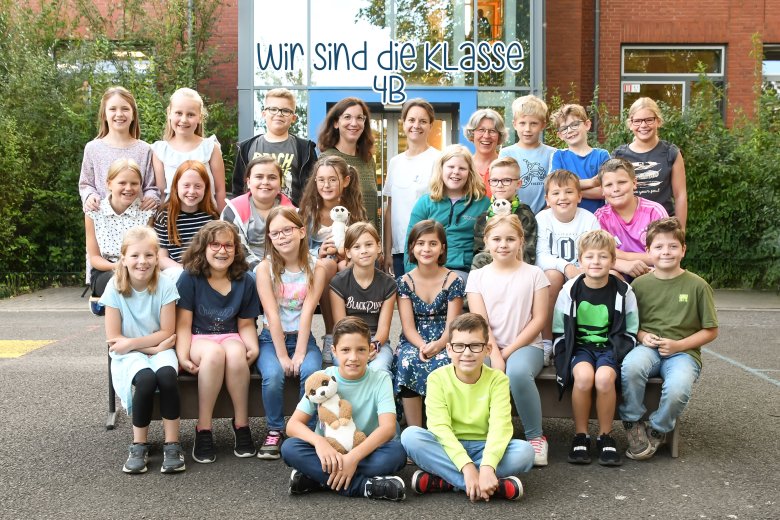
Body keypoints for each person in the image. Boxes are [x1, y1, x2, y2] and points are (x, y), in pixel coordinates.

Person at [402, 313, 533, 502]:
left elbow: (500, 426)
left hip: (484, 446)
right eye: (459, 346)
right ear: (448, 349)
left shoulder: (498, 380)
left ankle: (447, 481)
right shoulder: (437, 379)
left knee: (526, 452)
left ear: (487, 349)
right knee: (410, 436)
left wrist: (488, 465)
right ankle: (483, 485)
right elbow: (440, 429)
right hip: (448, 446)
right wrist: (467, 467)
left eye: (475, 345)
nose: (467, 353)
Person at [619, 217, 718, 460]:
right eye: (659, 247)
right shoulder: (639, 286)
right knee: (630, 368)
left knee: (677, 388)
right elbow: (631, 325)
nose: (666, 252)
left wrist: (679, 345)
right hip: (649, 348)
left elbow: (711, 330)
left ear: (683, 250)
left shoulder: (698, 286)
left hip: (683, 352)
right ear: (648, 251)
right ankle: (632, 422)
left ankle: (658, 428)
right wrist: (643, 335)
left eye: (673, 246)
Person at [281, 316, 407, 501]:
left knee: (397, 454)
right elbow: (293, 426)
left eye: (361, 350)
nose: (353, 357)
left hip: (364, 452)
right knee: (290, 448)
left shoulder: (381, 379)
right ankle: (364, 486)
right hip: (329, 453)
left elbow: (387, 429)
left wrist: (353, 458)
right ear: (334, 351)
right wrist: (320, 443)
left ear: (371, 350)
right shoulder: (322, 377)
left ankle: (318, 479)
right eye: (346, 350)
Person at [465, 215, 550, 466]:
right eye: (497, 239)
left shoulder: (535, 274)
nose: (504, 244)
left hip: (526, 345)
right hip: (487, 344)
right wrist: (495, 353)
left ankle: (536, 437)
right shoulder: (477, 277)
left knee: (518, 373)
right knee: (479, 370)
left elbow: (539, 319)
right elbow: (480, 321)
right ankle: (483, 437)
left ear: (521, 241)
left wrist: (508, 352)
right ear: (487, 242)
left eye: (510, 239)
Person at [175, 221, 261, 463]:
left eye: (228, 245)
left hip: (231, 335)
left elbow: (245, 323)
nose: (222, 251)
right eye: (215, 245)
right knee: (214, 353)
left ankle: (242, 424)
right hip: (198, 338)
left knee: (235, 354)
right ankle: (204, 428)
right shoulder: (190, 278)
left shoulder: (245, 280)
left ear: (236, 249)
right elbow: (182, 324)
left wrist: (252, 346)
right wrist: (182, 356)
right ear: (203, 248)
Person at [100, 227, 183, 474]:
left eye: (149, 255)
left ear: (157, 257)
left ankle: (172, 443)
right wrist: (152, 346)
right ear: (123, 258)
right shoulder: (113, 287)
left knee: (167, 376)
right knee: (146, 380)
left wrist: (149, 346)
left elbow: (167, 331)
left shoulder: (165, 284)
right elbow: (115, 340)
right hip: (132, 353)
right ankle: (139, 444)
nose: (142, 262)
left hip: (157, 348)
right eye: (135, 255)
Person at [551, 230, 638, 466]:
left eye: (602, 257)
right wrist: (561, 354)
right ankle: (581, 435)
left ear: (612, 261)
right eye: (590, 257)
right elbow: (559, 329)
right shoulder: (570, 289)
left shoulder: (623, 291)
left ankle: (605, 436)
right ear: (581, 260)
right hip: (579, 348)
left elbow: (631, 329)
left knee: (603, 379)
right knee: (583, 378)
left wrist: (619, 353)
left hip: (611, 348)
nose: (596, 262)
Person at [255, 207, 327, 460]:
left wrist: (298, 353)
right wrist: (284, 356)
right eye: (275, 233)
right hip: (270, 339)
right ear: (270, 238)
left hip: (303, 338)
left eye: (287, 230)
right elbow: (272, 314)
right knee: (273, 375)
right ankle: (275, 429)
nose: (282, 236)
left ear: (301, 231)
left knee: (311, 374)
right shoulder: (264, 269)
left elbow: (307, 311)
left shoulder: (316, 267)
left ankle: (305, 431)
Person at [395, 220, 465, 428]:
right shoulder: (404, 282)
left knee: (447, 362)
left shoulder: (454, 280)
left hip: (446, 337)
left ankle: (443, 429)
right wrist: (422, 346)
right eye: (420, 243)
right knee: (408, 362)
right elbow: (407, 327)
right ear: (412, 248)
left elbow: (453, 325)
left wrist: (439, 344)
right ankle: (414, 431)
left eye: (433, 243)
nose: (426, 249)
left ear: (442, 248)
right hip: (414, 339)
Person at [299, 155, 368, 355]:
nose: (326, 185)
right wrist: (316, 252)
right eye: (321, 180)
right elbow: (297, 249)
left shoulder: (353, 212)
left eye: (332, 179)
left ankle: (346, 335)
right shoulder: (307, 212)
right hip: (316, 266)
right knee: (328, 265)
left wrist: (348, 255)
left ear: (345, 181)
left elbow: (364, 243)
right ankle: (333, 334)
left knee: (341, 267)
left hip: (348, 263)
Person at [535, 170, 600, 361]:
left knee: (599, 279)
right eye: (556, 193)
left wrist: (583, 270)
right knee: (552, 277)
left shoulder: (589, 219)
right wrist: (566, 267)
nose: (562, 197)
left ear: (579, 196)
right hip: (555, 273)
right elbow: (541, 256)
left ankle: (591, 341)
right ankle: (546, 341)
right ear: (547, 199)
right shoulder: (542, 219)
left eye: (569, 192)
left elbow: (596, 250)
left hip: (584, 270)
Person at [405, 144, 490, 281]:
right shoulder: (425, 203)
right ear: (441, 169)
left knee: (452, 284)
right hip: (428, 268)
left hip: (464, 271)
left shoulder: (483, 203)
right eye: (451, 167)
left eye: (462, 168)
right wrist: (412, 277)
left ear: (470, 172)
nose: (456, 172)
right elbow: (411, 242)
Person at [85, 158, 156, 314]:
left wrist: (135, 266)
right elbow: (95, 258)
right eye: (122, 183)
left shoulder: (146, 212)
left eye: (134, 183)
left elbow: (150, 250)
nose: (128, 188)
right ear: (109, 183)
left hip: (140, 267)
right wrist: (119, 267)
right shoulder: (94, 212)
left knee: (147, 282)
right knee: (117, 282)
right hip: (107, 269)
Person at [330, 222, 397, 377]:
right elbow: (341, 326)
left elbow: (384, 330)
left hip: (376, 342)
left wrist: (372, 346)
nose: (364, 251)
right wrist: (357, 350)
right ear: (347, 252)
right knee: (349, 369)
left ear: (378, 247)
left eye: (369, 245)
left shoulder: (388, 284)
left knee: (379, 371)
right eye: (357, 247)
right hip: (347, 341)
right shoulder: (338, 283)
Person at [382, 98, 440, 276]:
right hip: (400, 250)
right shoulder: (395, 162)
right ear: (403, 123)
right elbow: (390, 210)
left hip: (427, 248)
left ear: (431, 126)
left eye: (423, 121)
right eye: (411, 120)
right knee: (404, 301)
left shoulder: (439, 160)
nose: (416, 125)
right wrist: (387, 251)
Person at [79, 86, 159, 212]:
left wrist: (151, 197)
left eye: (125, 109)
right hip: (103, 220)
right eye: (112, 109)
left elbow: (151, 186)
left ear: (133, 115)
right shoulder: (93, 148)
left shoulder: (145, 149)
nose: (119, 114)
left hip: (137, 220)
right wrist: (89, 196)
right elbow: (86, 184)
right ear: (104, 115)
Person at [232, 88, 318, 206]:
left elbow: (312, 188)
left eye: (286, 111)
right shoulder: (247, 147)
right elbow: (238, 188)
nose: (279, 114)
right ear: (264, 114)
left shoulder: (304, 149)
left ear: (293, 118)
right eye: (273, 109)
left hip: (292, 216)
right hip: (253, 217)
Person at [613, 97, 687, 228]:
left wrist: (680, 231)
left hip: (663, 225)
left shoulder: (671, 153)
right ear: (630, 124)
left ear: (658, 121)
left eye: (649, 120)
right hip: (628, 227)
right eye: (637, 121)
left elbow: (680, 195)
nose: (643, 125)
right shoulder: (619, 155)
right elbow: (607, 189)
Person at [151, 88, 226, 211]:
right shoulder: (160, 151)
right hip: (173, 221)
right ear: (169, 113)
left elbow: (220, 190)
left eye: (190, 114)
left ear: (200, 117)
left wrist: (222, 222)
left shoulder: (210, 148)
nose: (184, 119)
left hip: (207, 220)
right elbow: (161, 193)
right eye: (178, 113)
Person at [595, 158, 668, 280]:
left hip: (653, 274)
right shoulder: (600, 217)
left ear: (634, 183)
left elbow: (665, 254)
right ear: (602, 190)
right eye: (608, 185)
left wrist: (622, 255)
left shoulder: (654, 212)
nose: (616, 189)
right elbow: (598, 257)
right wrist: (624, 264)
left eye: (622, 182)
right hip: (619, 275)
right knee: (609, 275)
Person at [221, 156, 295, 273]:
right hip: (245, 270)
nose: (265, 182)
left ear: (280, 183)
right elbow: (235, 248)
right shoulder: (232, 211)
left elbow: (299, 246)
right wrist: (260, 270)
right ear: (249, 182)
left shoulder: (292, 212)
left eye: (272, 177)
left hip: (285, 268)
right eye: (259, 177)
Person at [317, 97, 378, 228]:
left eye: (360, 118)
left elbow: (373, 209)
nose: (354, 123)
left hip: (368, 240)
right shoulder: (326, 160)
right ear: (336, 123)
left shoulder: (368, 160)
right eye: (347, 117)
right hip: (340, 240)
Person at [153, 160, 218, 281]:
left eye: (198, 186)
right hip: (176, 272)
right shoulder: (164, 215)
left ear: (206, 188)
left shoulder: (211, 217)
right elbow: (161, 258)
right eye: (186, 185)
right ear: (176, 186)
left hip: (205, 272)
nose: (192, 191)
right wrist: (185, 271)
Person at [472, 156, 537, 270]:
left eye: (507, 180)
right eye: (495, 180)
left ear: (518, 183)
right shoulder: (484, 217)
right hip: (489, 271)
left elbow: (528, 254)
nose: (500, 185)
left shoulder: (525, 214)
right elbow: (478, 250)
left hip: (517, 269)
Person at [499, 95, 556, 214]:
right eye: (522, 123)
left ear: (543, 125)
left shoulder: (553, 154)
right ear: (514, 124)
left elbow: (555, 188)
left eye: (534, 123)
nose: (527, 129)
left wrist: (544, 213)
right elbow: (502, 188)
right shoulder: (506, 153)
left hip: (545, 215)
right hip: (513, 215)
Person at [550, 103, 609, 213]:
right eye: (564, 128)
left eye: (575, 124)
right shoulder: (558, 156)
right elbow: (556, 186)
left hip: (597, 219)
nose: (570, 130)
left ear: (587, 125)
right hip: (567, 219)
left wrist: (570, 190)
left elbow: (605, 191)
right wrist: (591, 182)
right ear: (560, 135)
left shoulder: (602, 155)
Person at [463, 109, 509, 199]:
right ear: (472, 134)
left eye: (492, 131)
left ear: (500, 136)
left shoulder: (507, 167)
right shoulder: (463, 166)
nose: (486, 136)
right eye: (481, 130)